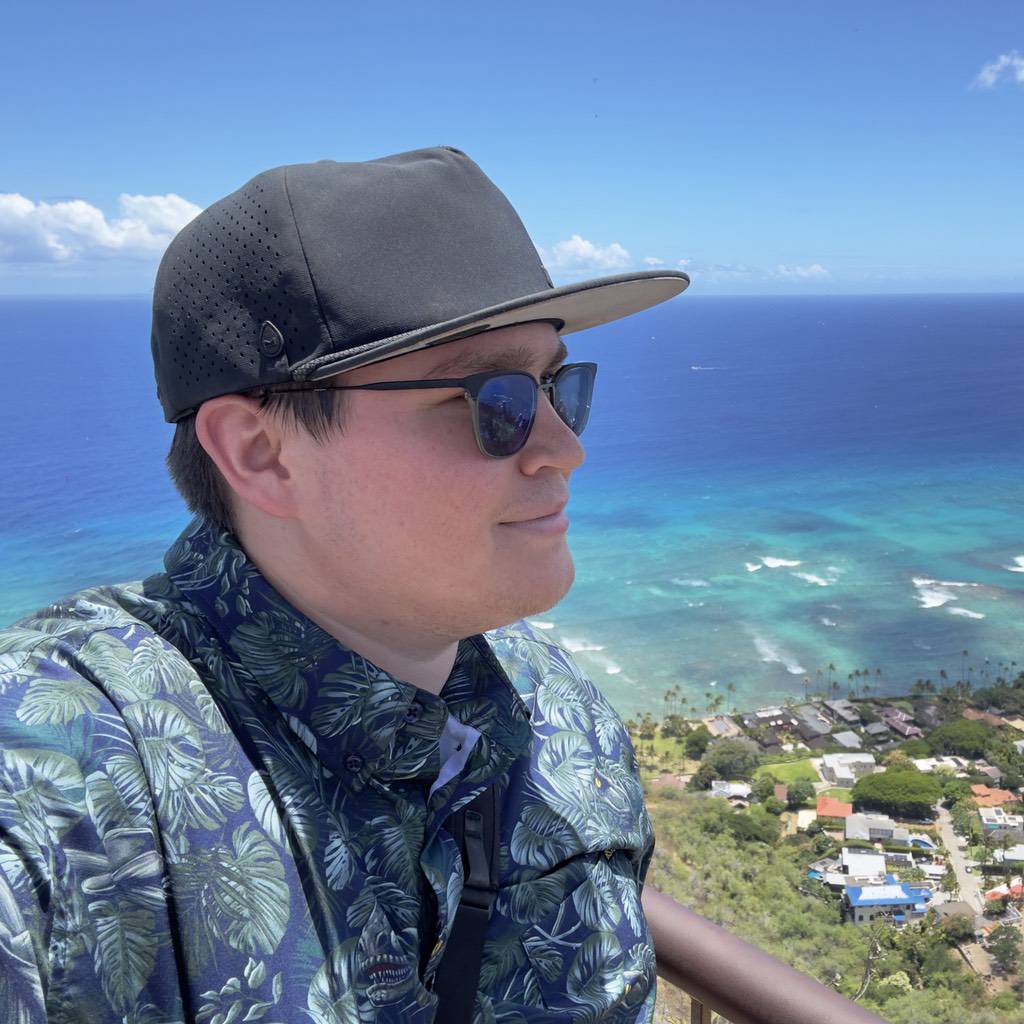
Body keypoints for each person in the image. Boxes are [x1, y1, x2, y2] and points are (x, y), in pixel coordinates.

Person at [0, 147, 689, 1023]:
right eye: (492, 398)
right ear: (261, 453)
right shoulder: (71, 777)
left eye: (558, 386)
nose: (563, 447)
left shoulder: (568, 722)